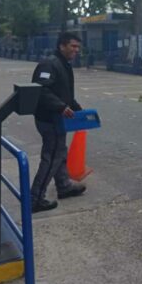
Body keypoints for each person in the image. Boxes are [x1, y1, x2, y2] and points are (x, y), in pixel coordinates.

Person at [30, 32, 86, 213]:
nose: (76, 50)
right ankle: (35, 199)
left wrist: (77, 109)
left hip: (57, 117)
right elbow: (41, 90)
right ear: (62, 46)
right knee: (52, 157)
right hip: (49, 119)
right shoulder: (50, 64)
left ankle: (64, 185)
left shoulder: (63, 64)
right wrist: (61, 107)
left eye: (78, 47)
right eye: (73, 46)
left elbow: (64, 93)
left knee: (60, 152)